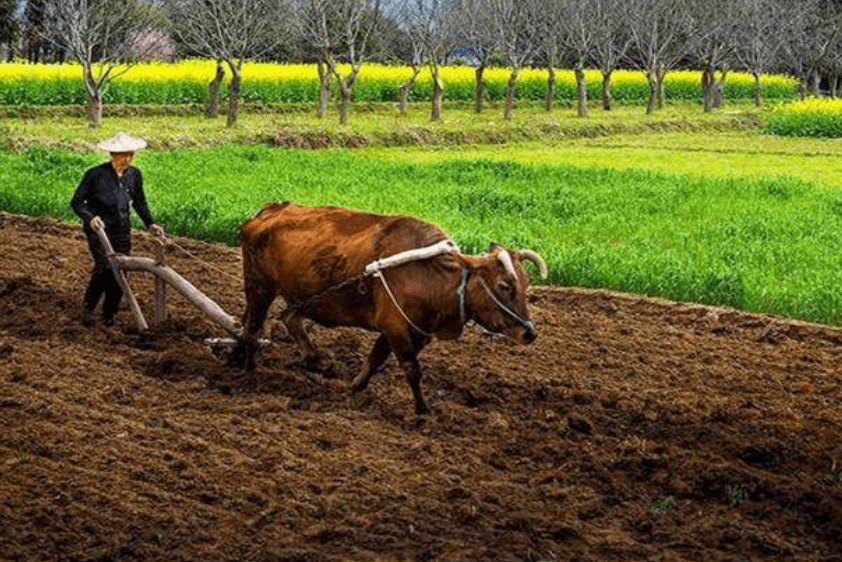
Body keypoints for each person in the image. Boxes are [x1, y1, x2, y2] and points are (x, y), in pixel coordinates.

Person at [71, 133, 164, 327]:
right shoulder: (95, 175)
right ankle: (88, 307)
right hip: (99, 230)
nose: (128, 159)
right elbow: (77, 202)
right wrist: (90, 218)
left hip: (122, 230)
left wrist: (150, 224)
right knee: (105, 267)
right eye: (123, 155)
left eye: (131, 155)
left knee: (120, 270)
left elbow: (139, 202)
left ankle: (109, 315)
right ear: (113, 155)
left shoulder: (135, 175)